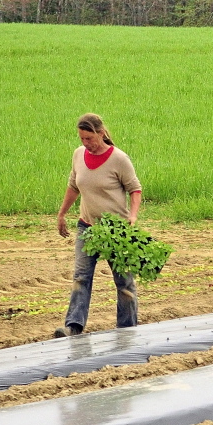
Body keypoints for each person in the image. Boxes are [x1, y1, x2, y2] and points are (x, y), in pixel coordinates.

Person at [54, 113, 143, 338]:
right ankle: (73, 326)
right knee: (81, 277)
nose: (86, 144)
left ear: (101, 134)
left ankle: (127, 329)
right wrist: (62, 213)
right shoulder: (78, 155)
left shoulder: (119, 159)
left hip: (116, 230)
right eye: (82, 139)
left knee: (124, 281)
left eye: (90, 139)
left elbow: (135, 189)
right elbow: (74, 186)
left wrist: (132, 216)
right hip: (88, 227)